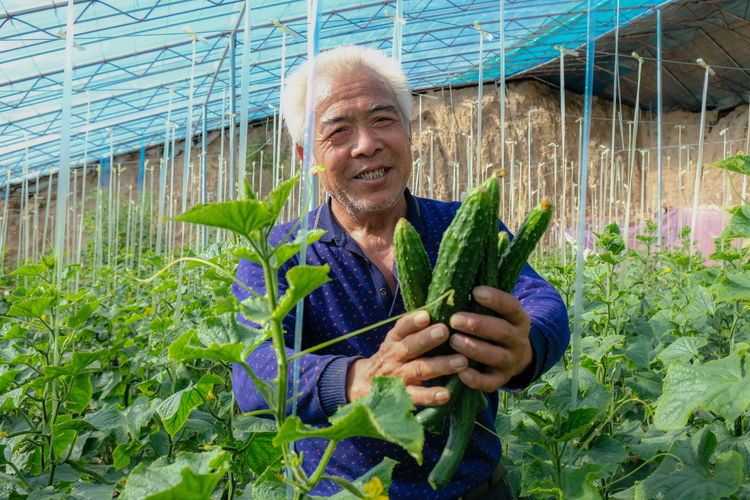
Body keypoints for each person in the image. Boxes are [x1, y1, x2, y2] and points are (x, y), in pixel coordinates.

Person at [232, 45, 570, 500]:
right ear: (305, 154)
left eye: (383, 120)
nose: (367, 143)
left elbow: (543, 301)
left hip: (476, 489)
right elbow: (252, 372)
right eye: (338, 131)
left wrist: (524, 348)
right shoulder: (280, 252)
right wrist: (358, 378)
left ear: (409, 133)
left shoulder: (464, 224)